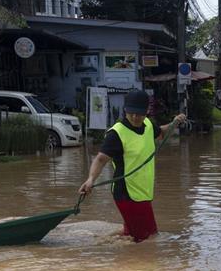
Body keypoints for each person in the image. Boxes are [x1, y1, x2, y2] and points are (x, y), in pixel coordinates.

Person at [78, 89, 186, 243]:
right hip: (127, 193)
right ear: (125, 110)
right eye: (131, 113)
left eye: (140, 114)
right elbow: (101, 159)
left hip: (143, 191)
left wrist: (174, 122)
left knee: (133, 234)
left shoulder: (148, 125)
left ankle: (99, 241)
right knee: (149, 238)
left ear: (146, 112)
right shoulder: (116, 133)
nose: (135, 117)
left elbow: (160, 133)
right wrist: (90, 179)